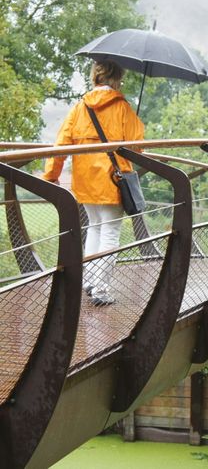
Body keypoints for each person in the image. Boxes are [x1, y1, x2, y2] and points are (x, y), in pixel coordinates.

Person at [43, 60, 144, 306]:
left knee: (95, 228)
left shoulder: (80, 107)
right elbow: (137, 148)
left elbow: (62, 144)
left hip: (85, 182)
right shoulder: (122, 107)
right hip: (111, 180)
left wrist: (51, 175)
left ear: (96, 77)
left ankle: (90, 280)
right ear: (117, 78)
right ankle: (101, 288)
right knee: (109, 231)